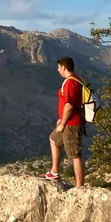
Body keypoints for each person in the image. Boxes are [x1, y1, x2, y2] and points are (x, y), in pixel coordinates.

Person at [41, 56, 85, 186]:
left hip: (71, 124)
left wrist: (63, 124)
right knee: (53, 139)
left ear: (64, 67)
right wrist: (61, 119)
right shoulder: (76, 79)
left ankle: (79, 187)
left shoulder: (70, 83)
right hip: (67, 121)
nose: (57, 70)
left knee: (75, 155)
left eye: (59, 67)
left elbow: (69, 105)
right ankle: (54, 172)